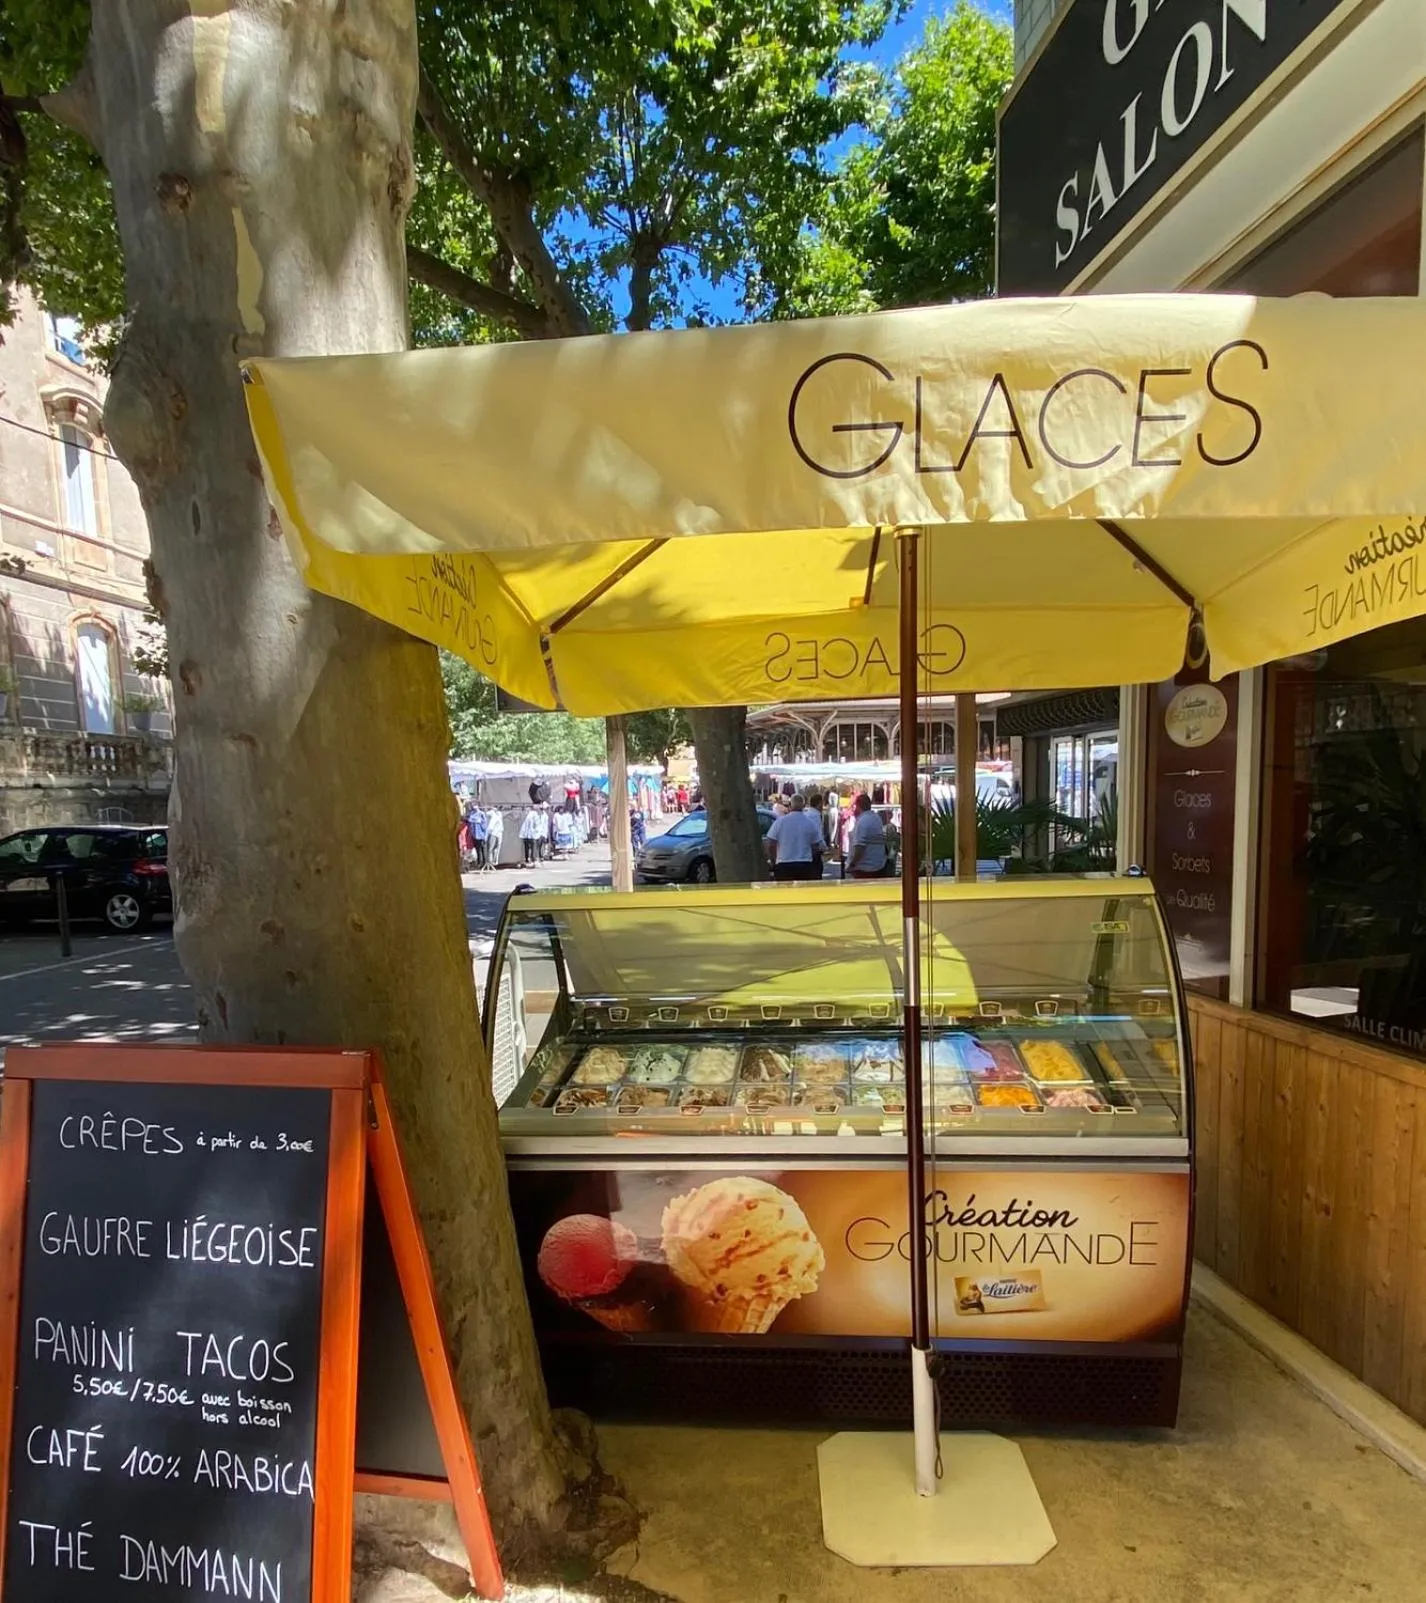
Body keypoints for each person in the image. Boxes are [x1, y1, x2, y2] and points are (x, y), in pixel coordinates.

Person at [765, 793, 823, 881]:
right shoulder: (810, 823)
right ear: (803, 806)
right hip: (805, 864)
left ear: (790, 805)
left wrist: (773, 861)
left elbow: (770, 843)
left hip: (784, 864)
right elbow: (815, 846)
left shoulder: (780, 822)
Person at [848, 793, 888, 879]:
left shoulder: (863, 821)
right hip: (877, 865)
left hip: (864, 868)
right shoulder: (876, 818)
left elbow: (859, 846)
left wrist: (852, 864)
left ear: (858, 806)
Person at [469, 804, 488, 870]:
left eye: (475, 805)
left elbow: (485, 825)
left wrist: (485, 835)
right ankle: (479, 863)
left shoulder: (481, 814)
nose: (474, 806)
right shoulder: (472, 813)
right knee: (477, 849)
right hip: (474, 835)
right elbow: (470, 822)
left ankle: (483, 863)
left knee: (482, 849)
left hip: (480, 835)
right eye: (473, 805)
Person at [486, 805, 504, 869]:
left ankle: (494, 861)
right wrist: (492, 809)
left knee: (497, 847)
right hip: (493, 833)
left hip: (499, 832)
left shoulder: (499, 814)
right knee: (491, 848)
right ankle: (490, 862)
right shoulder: (492, 814)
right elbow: (487, 813)